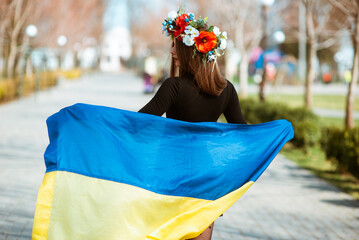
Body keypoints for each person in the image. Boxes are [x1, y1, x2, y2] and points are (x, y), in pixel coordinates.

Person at [138, 10, 247, 240]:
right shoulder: (226, 89)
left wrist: (102, 121)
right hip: (205, 173)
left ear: (188, 51)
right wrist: (272, 133)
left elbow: (139, 123)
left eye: (175, 45)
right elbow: (243, 133)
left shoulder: (173, 87)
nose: (171, 51)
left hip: (171, 170)